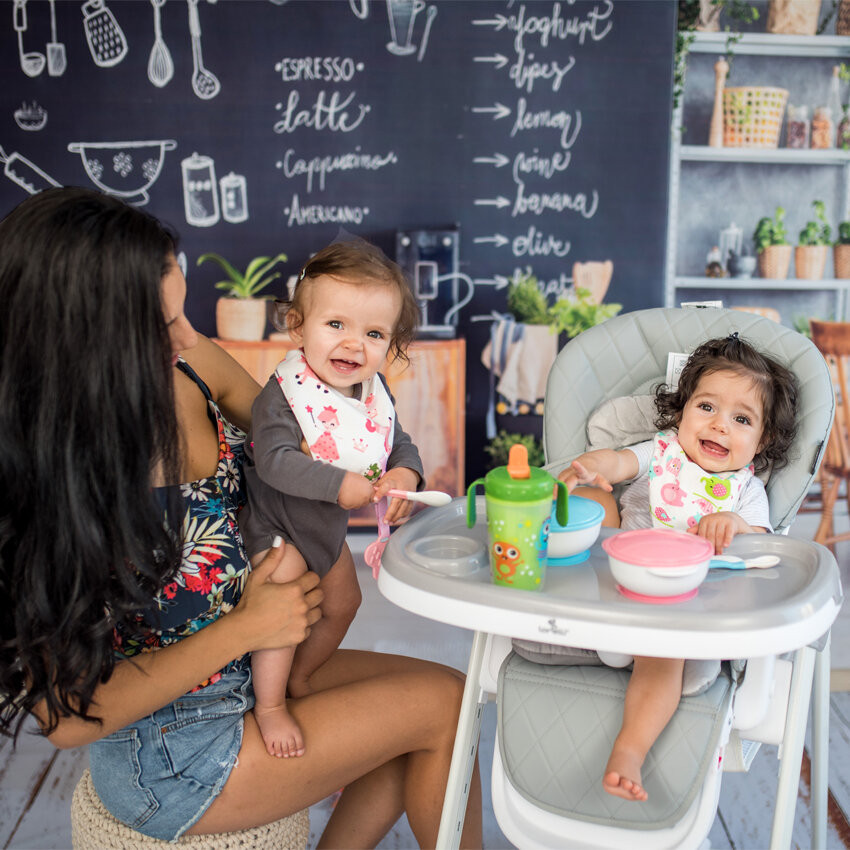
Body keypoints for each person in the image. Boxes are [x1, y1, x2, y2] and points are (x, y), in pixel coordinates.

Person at [0, 187, 482, 847]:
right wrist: (249, 626)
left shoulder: (191, 365)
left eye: (181, 310)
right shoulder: (53, 475)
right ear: (82, 339)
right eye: (158, 325)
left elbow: (302, 441)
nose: (187, 337)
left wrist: (391, 465)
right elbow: (68, 720)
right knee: (440, 711)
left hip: (250, 675)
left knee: (454, 695)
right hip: (169, 750)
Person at [557, 334, 798, 802]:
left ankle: (628, 751)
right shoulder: (662, 454)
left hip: (674, 604)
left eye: (742, 419)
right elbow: (618, 462)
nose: (720, 425)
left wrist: (734, 524)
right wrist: (589, 467)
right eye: (706, 407)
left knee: (664, 658)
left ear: (763, 439)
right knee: (591, 497)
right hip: (611, 580)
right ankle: (579, 601)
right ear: (682, 411)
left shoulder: (745, 491)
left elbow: (761, 545)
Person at [241, 239, 424, 759]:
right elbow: (274, 459)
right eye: (336, 324)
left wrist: (406, 473)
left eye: (373, 334)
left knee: (345, 604)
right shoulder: (284, 394)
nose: (353, 345)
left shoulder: (371, 393)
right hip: (277, 529)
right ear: (298, 326)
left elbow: (396, 441)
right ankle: (269, 705)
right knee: (284, 609)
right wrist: (337, 484)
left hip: (323, 534)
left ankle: (301, 675)